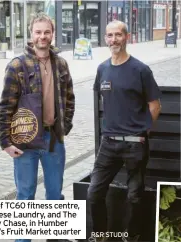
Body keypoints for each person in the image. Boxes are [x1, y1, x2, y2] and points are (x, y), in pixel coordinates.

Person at [0, 12, 75, 242]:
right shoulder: (17, 66)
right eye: (38, 32)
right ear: (31, 35)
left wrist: (65, 126)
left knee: (55, 195)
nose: (43, 36)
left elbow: (69, 98)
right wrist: (5, 142)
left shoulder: (60, 63)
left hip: (53, 140)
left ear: (52, 34)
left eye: (47, 32)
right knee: (25, 196)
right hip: (25, 142)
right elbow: (6, 107)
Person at [88, 20, 162, 242]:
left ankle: (132, 236)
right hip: (108, 143)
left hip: (134, 144)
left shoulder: (140, 70)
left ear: (127, 37)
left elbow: (155, 105)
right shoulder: (102, 69)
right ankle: (100, 234)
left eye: (118, 35)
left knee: (134, 196)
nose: (113, 40)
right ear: (105, 38)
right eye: (109, 35)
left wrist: (144, 131)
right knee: (94, 193)